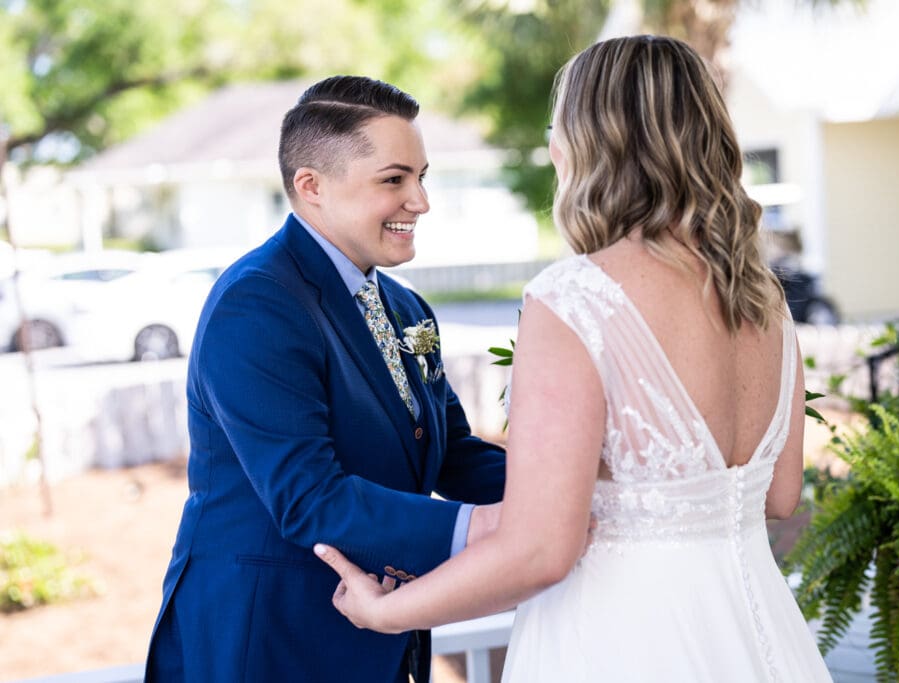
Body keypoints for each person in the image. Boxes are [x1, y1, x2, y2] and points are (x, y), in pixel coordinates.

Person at [315, 35, 834, 682]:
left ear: (592, 145)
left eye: (558, 130)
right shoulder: (764, 302)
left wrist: (390, 612)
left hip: (624, 640)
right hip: (755, 630)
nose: (554, 148)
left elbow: (541, 549)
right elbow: (780, 495)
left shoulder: (575, 298)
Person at [144, 76, 506, 683]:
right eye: (394, 180)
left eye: (422, 176)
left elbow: (451, 454)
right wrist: (486, 528)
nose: (420, 201)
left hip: (378, 633)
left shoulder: (406, 308)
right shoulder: (257, 302)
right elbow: (308, 497)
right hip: (268, 642)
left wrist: (576, 487)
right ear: (311, 187)